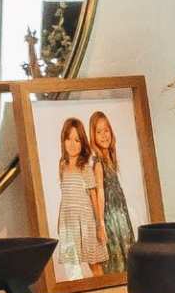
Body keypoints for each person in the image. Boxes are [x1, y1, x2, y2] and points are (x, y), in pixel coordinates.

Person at [54, 115, 113, 277]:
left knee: (94, 262)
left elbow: (93, 195)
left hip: (86, 221)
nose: (72, 145)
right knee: (72, 263)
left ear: (83, 143)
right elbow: (64, 195)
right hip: (69, 220)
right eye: (68, 139)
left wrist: (99, 225)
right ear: (63, 141)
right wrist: (60, 218)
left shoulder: (85, 167)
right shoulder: (62, 165)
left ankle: (103, 291)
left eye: (77, 140)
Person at [88, 109, 139, 267]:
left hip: (121, 214)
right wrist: (101, 223)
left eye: (106, 130)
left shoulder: (110, 159)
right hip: (111, 218)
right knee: (117, 256)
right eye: (99, 132)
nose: (104, 135)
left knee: (129, 250)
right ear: (93, 137)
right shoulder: (98, 163)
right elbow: (100, 192)